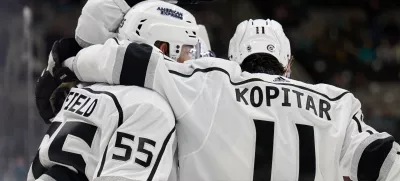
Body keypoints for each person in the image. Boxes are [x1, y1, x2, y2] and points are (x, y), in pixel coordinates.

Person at [49, 16, 400, 181]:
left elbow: (130, 60)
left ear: (233, 57)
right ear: (288, 63)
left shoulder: (211, 81)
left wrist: (68, 62)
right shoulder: (336, 105)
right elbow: (384, 160)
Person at [27, 1, 203, 180]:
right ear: (164, 48)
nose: (193, 61)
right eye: (189, 51)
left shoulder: (82, 89)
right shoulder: (149, 108)